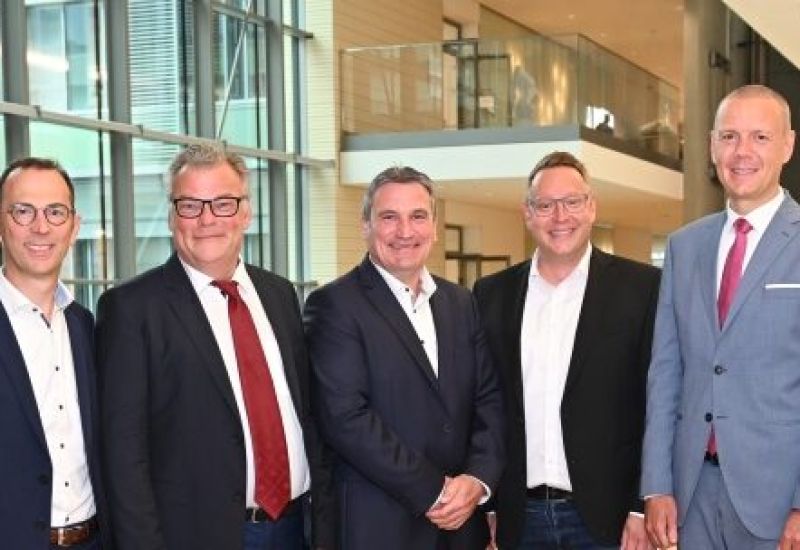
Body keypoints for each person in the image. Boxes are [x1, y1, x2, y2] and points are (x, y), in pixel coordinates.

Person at [96, 144, 334, 550]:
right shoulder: (131, 309)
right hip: (198, 536)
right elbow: (124, 455)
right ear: (172, 216)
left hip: (298, 528)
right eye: (190, 205)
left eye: (223, 204)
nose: (207, 220)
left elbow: (307, 415)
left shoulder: (279, 294)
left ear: (246, 212)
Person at [303, 166, 505, 550]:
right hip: (379, 527)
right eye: (389, 217)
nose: (405, 231)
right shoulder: (334, 305)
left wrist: (477, 480)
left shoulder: (461, 303)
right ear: (366, 225)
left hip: (461, 525)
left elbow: (489, 400)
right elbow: (345, 418)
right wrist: (434, 491)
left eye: (418, 216)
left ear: (434, 226)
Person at [474, 151, 660, 549]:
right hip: (519, 518)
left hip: (610, 518)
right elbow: (485, 404)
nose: (560, 217)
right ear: (527, 213)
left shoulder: (643, 289)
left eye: (572, 202)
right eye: (545, 205)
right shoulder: (491, 294)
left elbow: (657, 403)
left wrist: (640, 507)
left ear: (591, 207)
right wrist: (489, 504)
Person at [642, 84, 800, 549]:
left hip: (778, 502)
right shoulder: (684, 246)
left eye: (760, 137)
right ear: (712, 146)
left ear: (788, 145)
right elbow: (665, 373)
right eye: (729, 136)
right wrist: (657, 485)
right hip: (691, 496)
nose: (742, 151)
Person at [0, 157, 110, 549]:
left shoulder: (85, 325)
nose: (41, 227)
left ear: (74, 227)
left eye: (55, 212)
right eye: (23, 211)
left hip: (93, 540)